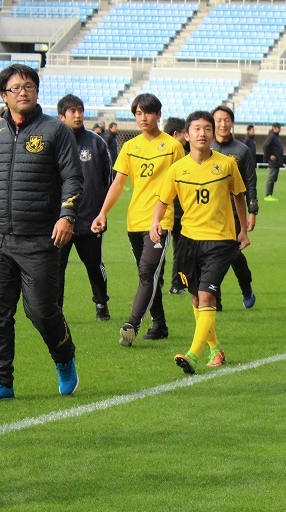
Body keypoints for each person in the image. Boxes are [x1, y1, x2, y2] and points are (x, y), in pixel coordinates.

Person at [0, 63, 82, 402]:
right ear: (5, 95)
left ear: (36, 92)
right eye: (16, 87)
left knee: (41, 311)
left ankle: (64, 358)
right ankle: (1, 380)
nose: (24, 91)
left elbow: (73, 179)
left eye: (29, 86)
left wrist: (67, 215)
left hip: (39, 240)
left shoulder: (54, 131)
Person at [151, 111, 250, 373]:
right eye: (197, 129)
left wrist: (243, 230)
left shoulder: (227, 164)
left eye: (207, 128)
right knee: (196, 299)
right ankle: (216, 350)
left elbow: (239, 195)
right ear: (186, 135)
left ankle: (192, 355)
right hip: (189, 241)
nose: (203, 133)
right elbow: (162, 200)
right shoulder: (177, 168)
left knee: (207, 296)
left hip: (220, 241)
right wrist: (154, 223)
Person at [92, 93, 185, 346]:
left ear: (159, 114)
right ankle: (160, 325)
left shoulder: (173, 147)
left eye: (148, 112)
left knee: (147, 272)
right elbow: (118, 184)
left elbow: (183, 183)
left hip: (161, 221)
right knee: (149, 275)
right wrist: (102, 213)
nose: (143, 118)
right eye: (138, 113)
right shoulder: (130, 147)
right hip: (135, 221)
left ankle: (132, 324)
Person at [56, 94, 113, 321]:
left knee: (94, 265)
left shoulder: (96, 142)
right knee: (56, 268)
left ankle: (101, 305)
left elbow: (107, 179)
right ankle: (55, 310)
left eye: (80, 110)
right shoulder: (54, 143)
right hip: (60, 220)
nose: (78, 115)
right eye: (72, 111)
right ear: (62, 117)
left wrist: (102, 213)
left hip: (90, 219)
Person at [211, 105, 258, 309]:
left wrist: (252, 211)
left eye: (226, 120)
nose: (222, 124)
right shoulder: (205, 148)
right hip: (210, 212)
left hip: (234, 212)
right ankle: (215, 300)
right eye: (218, 120)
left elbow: (250, 182)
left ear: (232, 123)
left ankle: (246, 287)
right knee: (211, 254)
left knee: (234, 254)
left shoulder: (242, 150)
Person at [164, 117, 189, 296]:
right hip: (176, 209)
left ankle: (156, 282)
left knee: (158, 249)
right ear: (176, 134)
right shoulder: (179, 153)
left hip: (159, 208)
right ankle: (177, 285)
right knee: (180, 249)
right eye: (184, 134)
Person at [263, 123, 283, 201]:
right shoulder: (271, 136)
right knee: (271, 178)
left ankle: (270, 194)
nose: (279, 129)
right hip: (273, 162)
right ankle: (267, 195)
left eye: (280, 127)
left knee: (274, 178)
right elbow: (265, 146)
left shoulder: (276, 137)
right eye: (278, 127)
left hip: (277, 161)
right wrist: (269, 156)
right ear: (273, 128)